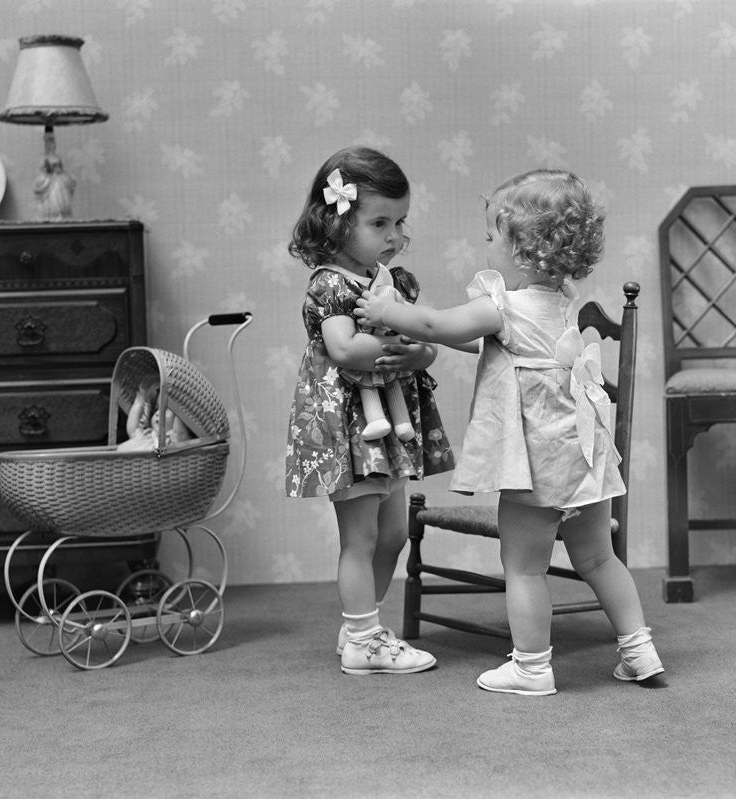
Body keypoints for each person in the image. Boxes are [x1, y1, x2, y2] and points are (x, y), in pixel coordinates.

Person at [356, 169, 664, 695]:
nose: (486, 244)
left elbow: (437, 325)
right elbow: (497, 348)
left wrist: (389, 311)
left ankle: (531, 667)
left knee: (523, 566)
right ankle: (640, 652)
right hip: (584, 454)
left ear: (522, 248)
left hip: (537, 461)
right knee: (597, 557)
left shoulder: (501, 305)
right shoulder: (563, 300)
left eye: (493, 236)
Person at [285, 146, 455, 675]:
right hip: (349, 423)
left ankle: (363, 624)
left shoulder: (395, 282)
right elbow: (343, 348)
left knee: (393, 534)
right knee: (359, 536)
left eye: (400, 221)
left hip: (389, 424)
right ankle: (364, 639)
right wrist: (394, 339)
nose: (394, 234)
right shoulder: (329, 283)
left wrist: (418, 347)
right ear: (336, 224)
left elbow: (426, 345)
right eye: (380, 222)